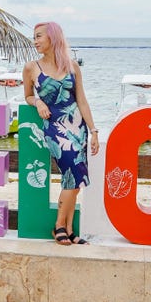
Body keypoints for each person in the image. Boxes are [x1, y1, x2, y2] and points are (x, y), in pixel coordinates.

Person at [22, 22, 99, 245]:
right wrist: (37, 102)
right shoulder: (31, 67)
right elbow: (26, 95)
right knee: (71, 175)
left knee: (76, 180)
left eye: (39, 36)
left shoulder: (73, 66)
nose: (35, 41)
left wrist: (93, 131)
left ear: (53, 38)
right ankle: (58, 226)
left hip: (78, 129)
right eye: (34, 37)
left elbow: (81, 100)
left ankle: (69, 229)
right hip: (54, 128)